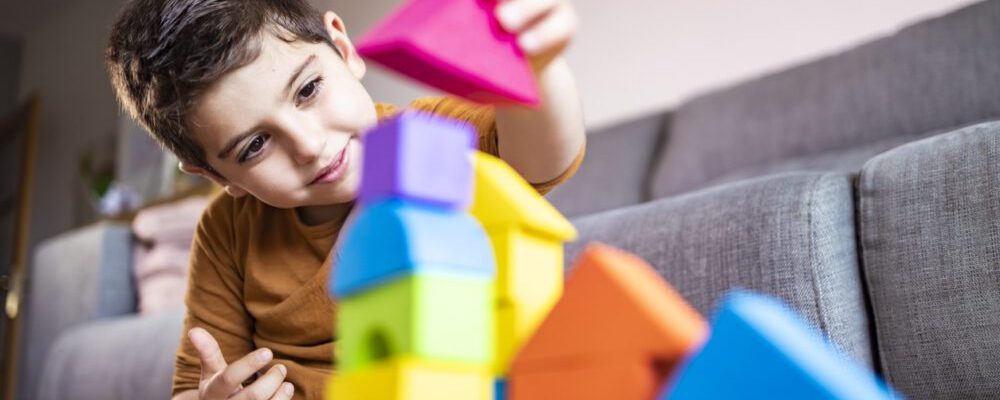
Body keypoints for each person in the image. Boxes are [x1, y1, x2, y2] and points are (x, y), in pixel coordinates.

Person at [105, 0, 586, 398]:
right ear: (216, 175)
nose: (309, 145)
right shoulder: (226, 231)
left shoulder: (425, 136)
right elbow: (194, 386)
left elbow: (540, 160)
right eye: (255, 146)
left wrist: (537, 71)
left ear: (342, 47)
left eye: (308, 90)